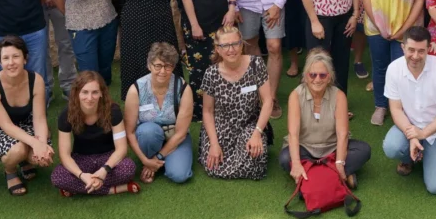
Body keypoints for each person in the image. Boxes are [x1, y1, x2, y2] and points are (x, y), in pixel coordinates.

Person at [362, 0, 428, 126]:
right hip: (377, 27)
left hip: (407, 28)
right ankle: (381, 106)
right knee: (380, 67)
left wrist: (405, 29)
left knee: (405, 69)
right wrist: (379, 25)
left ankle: (404, 110)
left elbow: (419, 0)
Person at [382, 27, 436, 195]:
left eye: (421, 51)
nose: (415, 56)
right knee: (392, 146)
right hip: (410, 127)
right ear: (403, 47)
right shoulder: (394, 69)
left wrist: (423, 134)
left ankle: (434, 154)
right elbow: (395, 109)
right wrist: (412, 134)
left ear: (429, 49)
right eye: (411, 50)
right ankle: (410, 157)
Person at [281, 49, 371, 188]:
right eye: (312, 75)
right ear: (305, 76)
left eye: (322, 75)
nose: (317, 79)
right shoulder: (295, 95)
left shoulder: (339, 96)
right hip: (305, 147)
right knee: (286, 158)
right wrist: (297, 163)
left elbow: (342, 135)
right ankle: (336, 177)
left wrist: (340, 162)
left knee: (364, 150)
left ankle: (311, 179)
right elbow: (293, 134)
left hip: (332, 148)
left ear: (329, 77)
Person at [0, 35, 54, 196]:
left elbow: (40, 118)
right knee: (18, 150)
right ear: (0, 62)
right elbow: (6, 125)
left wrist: (41, 143)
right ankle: (10, 170)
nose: (11, 62)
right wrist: (36, 144)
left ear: (25, 58)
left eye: (16, 56)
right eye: (5, 58)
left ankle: (27, 162)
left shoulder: (36, 80)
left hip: (26, 125)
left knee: (40, 158)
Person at [199, 26, 274, 180]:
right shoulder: (211, 74)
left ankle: (246, 155)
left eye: (235, 44)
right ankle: (229, 157)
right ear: (217, 49)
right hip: (220, 126)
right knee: (212, 165)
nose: (231, 49)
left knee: (256, 160)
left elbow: (267, 101)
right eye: (225, 45)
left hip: (249, 125)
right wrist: (214, 143)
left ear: (241, 45)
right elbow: (207, 111)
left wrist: (257, 132)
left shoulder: (256, 64)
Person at [52, 71, 138, 196]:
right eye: (85, 92)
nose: (90, 98)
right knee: (58, 177)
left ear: (101, 93)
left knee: (128, 168)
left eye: (95, 92)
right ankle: (114, 189)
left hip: (108, 158)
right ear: (77, 93)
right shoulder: (66, 115)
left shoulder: (113, 111)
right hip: (81, 159)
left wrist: (104, 171)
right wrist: (82, 176)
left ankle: (79, 189)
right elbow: (64, 155)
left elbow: (121, 149)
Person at [124, 42, 195, 184]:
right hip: (149, 137)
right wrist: (144, 160)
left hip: (175, 137)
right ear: (149, 65)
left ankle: (156, 164)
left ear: (173, 67)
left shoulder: (183, 89)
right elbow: (130, 132)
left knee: (180, 175)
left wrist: (159, 157)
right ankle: (149, 161)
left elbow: (181, 133)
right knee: (147, 131)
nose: (162, 71)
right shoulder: (136, 89)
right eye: (158, 66)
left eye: (168, 66)